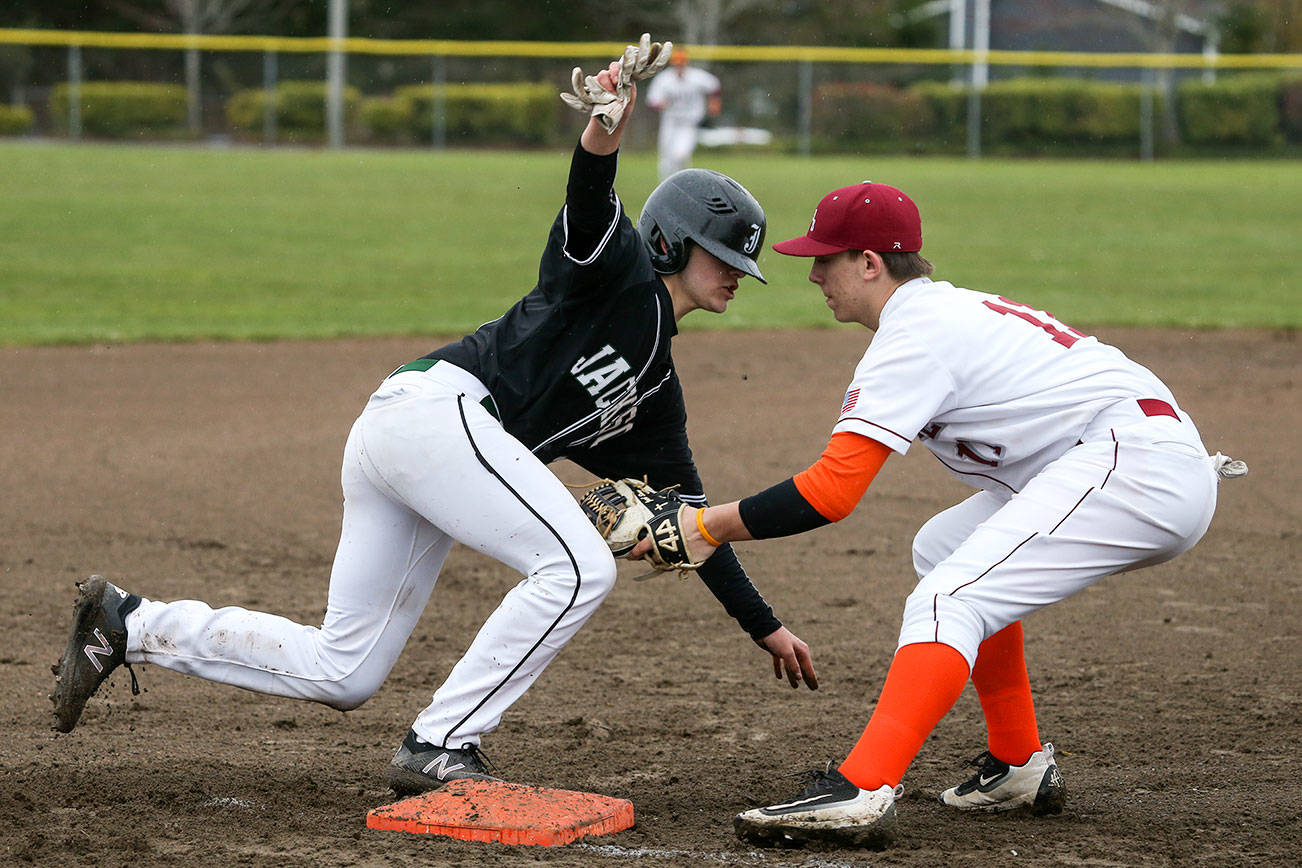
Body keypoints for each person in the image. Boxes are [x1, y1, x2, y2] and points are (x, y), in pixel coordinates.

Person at [51, 39, 818, 798]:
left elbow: (693, 521)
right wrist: (604, 128)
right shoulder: (614, 272)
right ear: (671, 242)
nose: (735, 276)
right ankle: (442, 742)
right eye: (722, 256)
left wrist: (765, 627)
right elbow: (589, 199)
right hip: (437, 413)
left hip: (424, 441)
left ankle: (132, 624)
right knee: (580, 565)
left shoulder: (654, 391)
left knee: (344, 671)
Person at [631, 181, 1245, 848]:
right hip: (1133, 458)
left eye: (826, 259)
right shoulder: (935, 313)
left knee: (945, 598)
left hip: (1136, 466)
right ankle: (1017, 763)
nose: (812, 274)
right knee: (943, 550)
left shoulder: (916, 333)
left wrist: (702, 525)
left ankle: (863, 788)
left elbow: (830, 492)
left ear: (869, 263)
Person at [645, 48, 722, 180]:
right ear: (672, 64)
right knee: (666, 157)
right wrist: (661, 104)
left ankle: (684, 181)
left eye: (681, 63)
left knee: (681, 154)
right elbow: (652, 100)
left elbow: (714, 86)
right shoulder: (664, 79)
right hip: (670, 122)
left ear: (686, 63)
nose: (679, 66)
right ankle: (665, 186)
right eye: (677, 63)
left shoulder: (696, 76)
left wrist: (714, 103)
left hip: (689, 123)